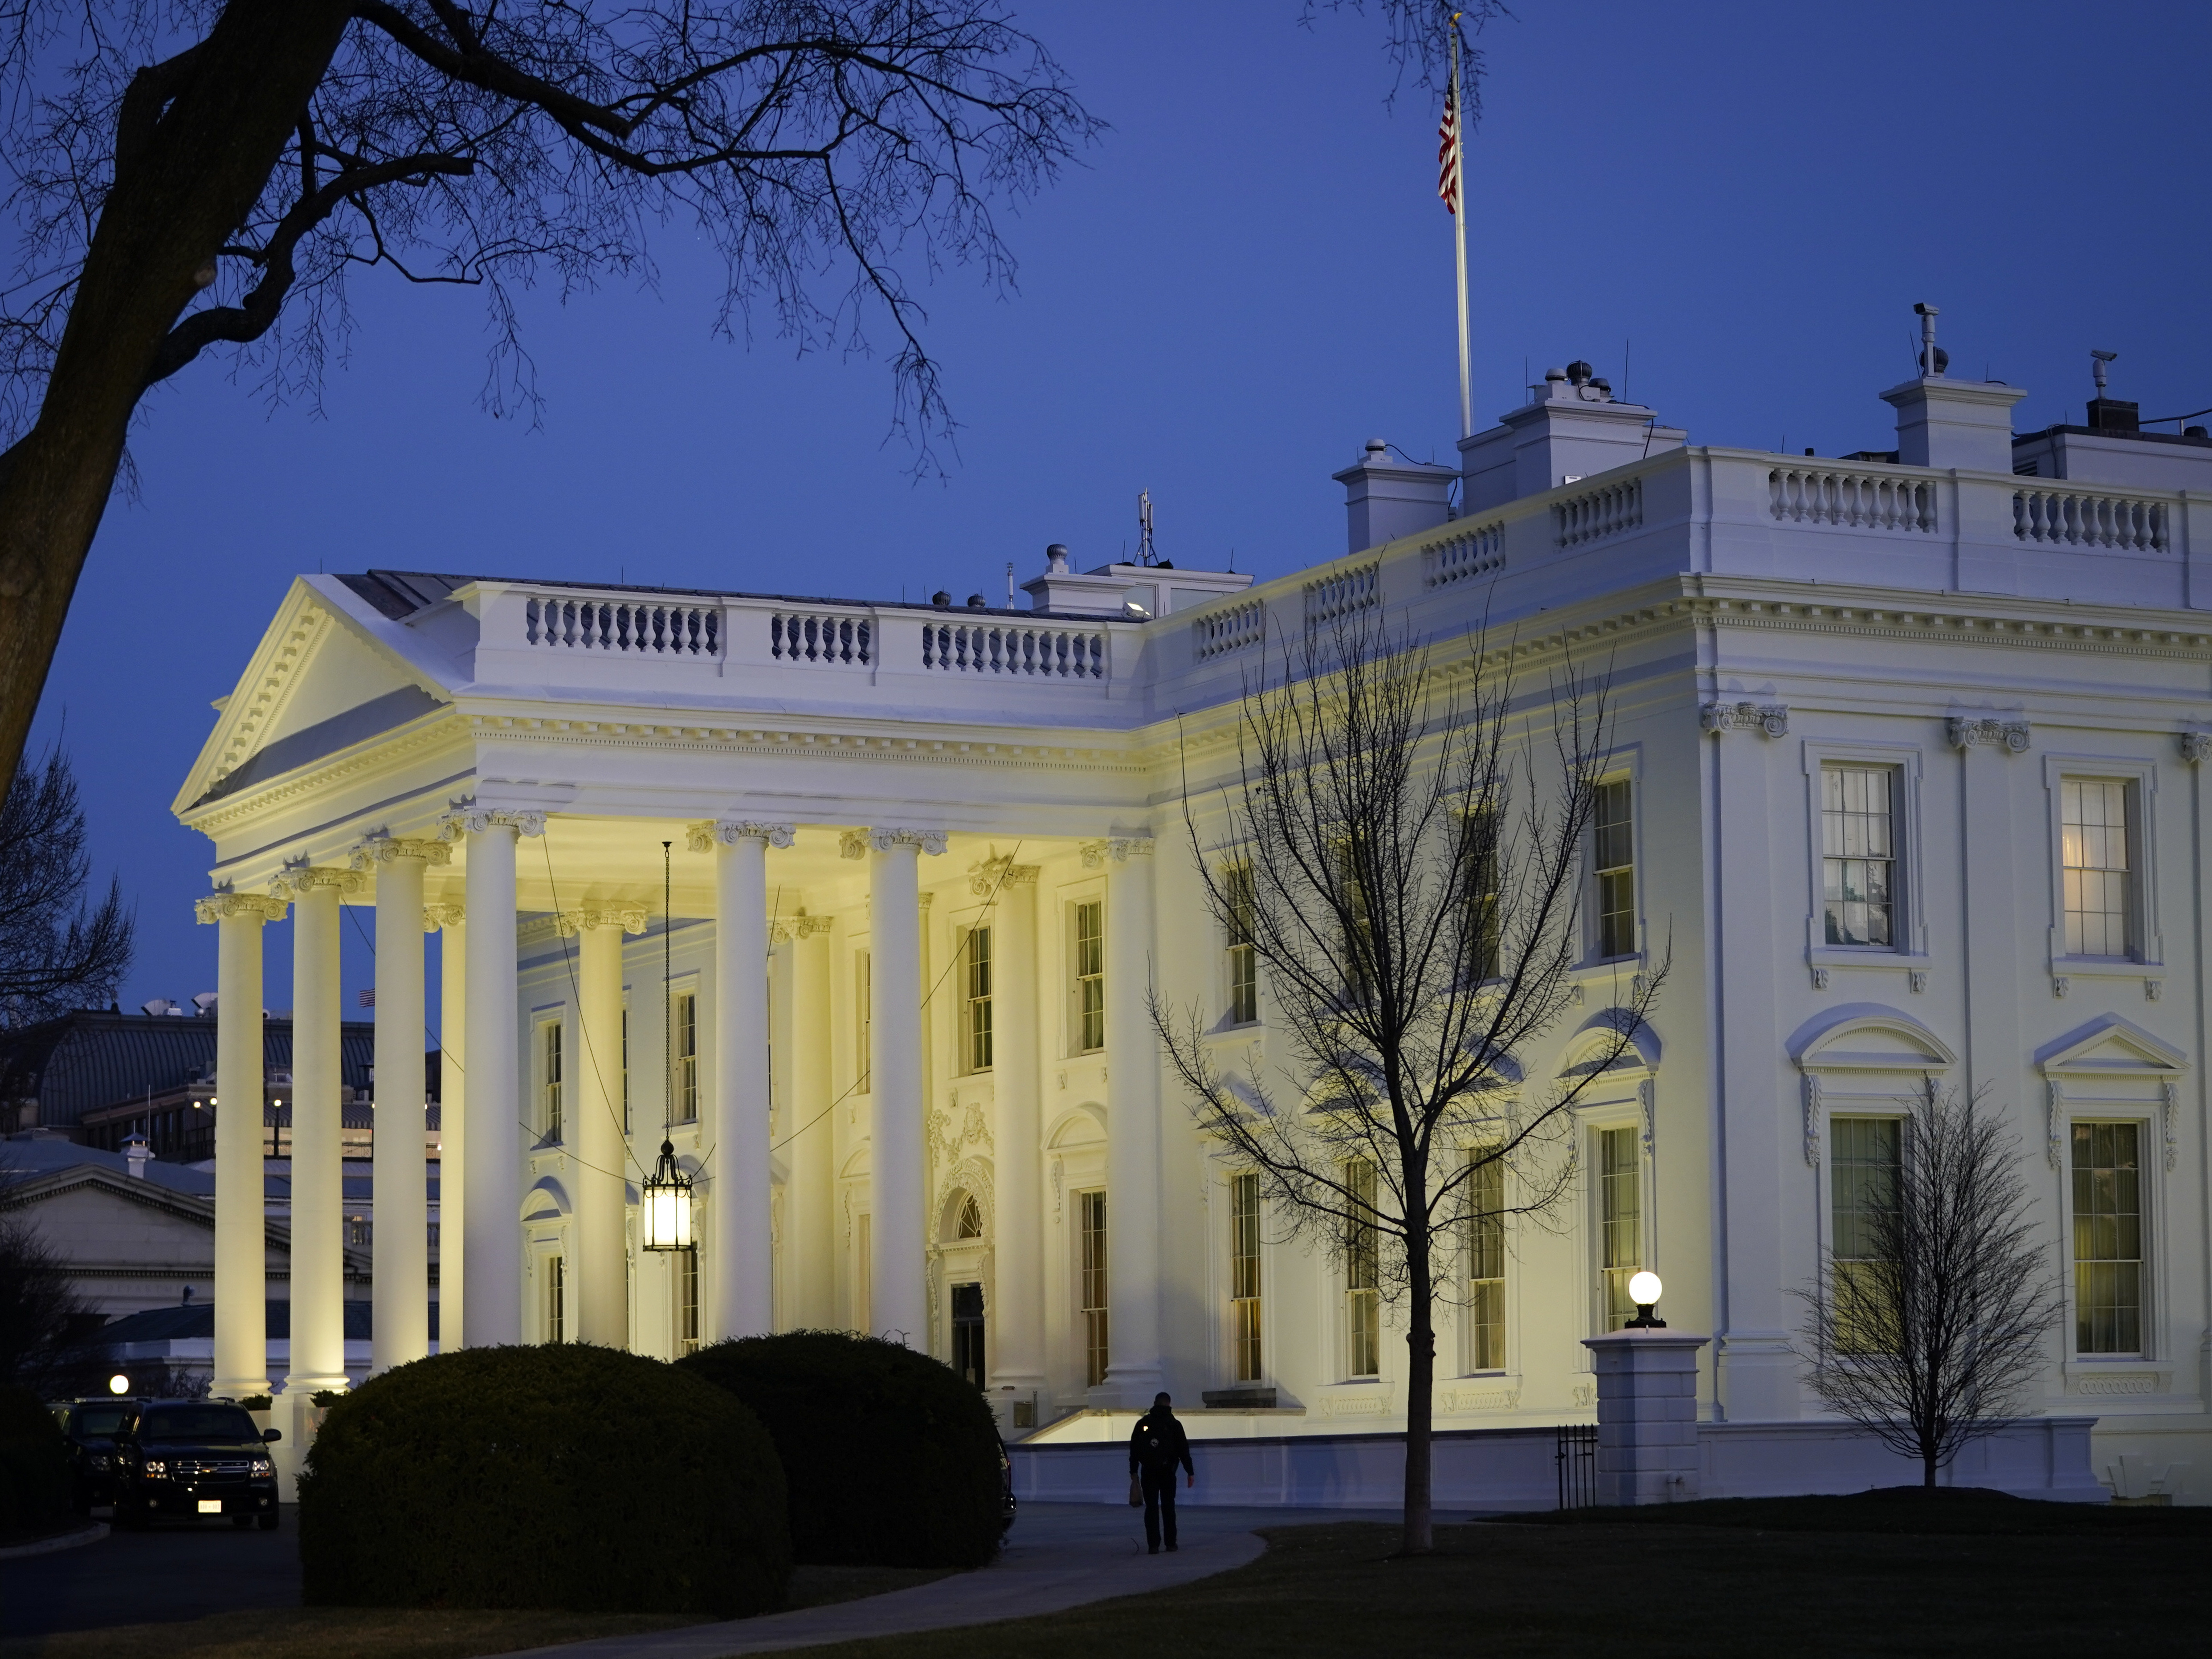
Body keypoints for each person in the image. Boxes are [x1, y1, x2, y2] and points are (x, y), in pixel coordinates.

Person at [1127, 1391, 1194, 1554]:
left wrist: (1134, 1471)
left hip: (1148, 1471)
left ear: (1155, 1403)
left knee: (1151, 1508)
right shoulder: (1175, 1425)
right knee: (1168, 1507)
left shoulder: (1143, 1423)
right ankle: (1171, 1543)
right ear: (1169, 1405)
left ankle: (1153, 1545)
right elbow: (1183, 1450)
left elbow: (1134, 1450)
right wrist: (1190, 1472)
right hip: (1168, 1471)